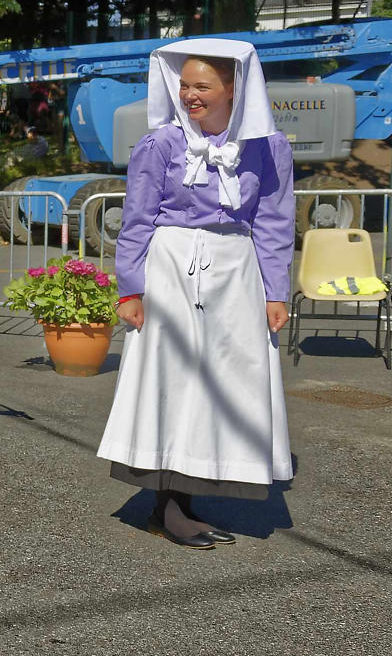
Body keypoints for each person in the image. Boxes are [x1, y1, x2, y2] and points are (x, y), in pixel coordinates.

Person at [97, 40, 294, 548]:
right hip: (171, 267)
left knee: (222, 384)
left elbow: (274, 221)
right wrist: (130, 288)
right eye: (184, 85)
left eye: (202, 86)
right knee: (172, 380)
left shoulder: (267, 145)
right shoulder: (161, 144)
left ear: (233, 88)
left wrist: (275, 291)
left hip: (235, 271)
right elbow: (137, 219)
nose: (189, 95)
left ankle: (188, 498)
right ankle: (166, 507)